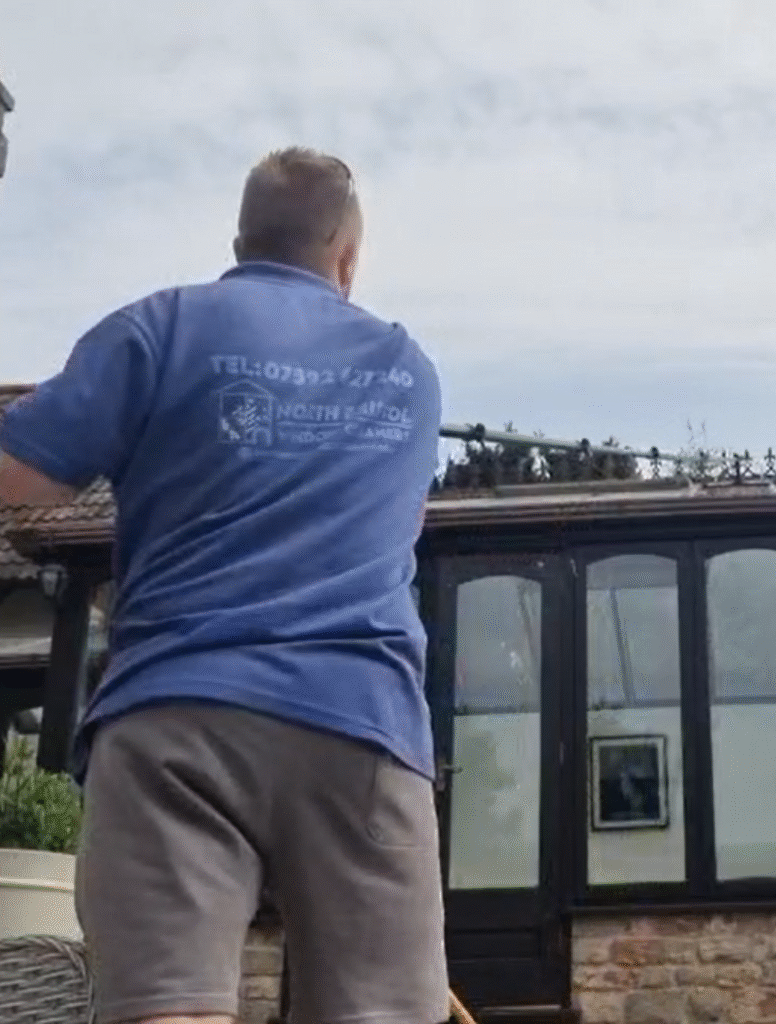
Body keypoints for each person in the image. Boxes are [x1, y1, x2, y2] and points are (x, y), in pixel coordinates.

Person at [0, 148, 448, 1024]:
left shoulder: (158, 328)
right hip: (359, 724)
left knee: (167, 1008)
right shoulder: (407, 370)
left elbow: (18, 474)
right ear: (347, 258)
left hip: (177, 722)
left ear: (240, 244)